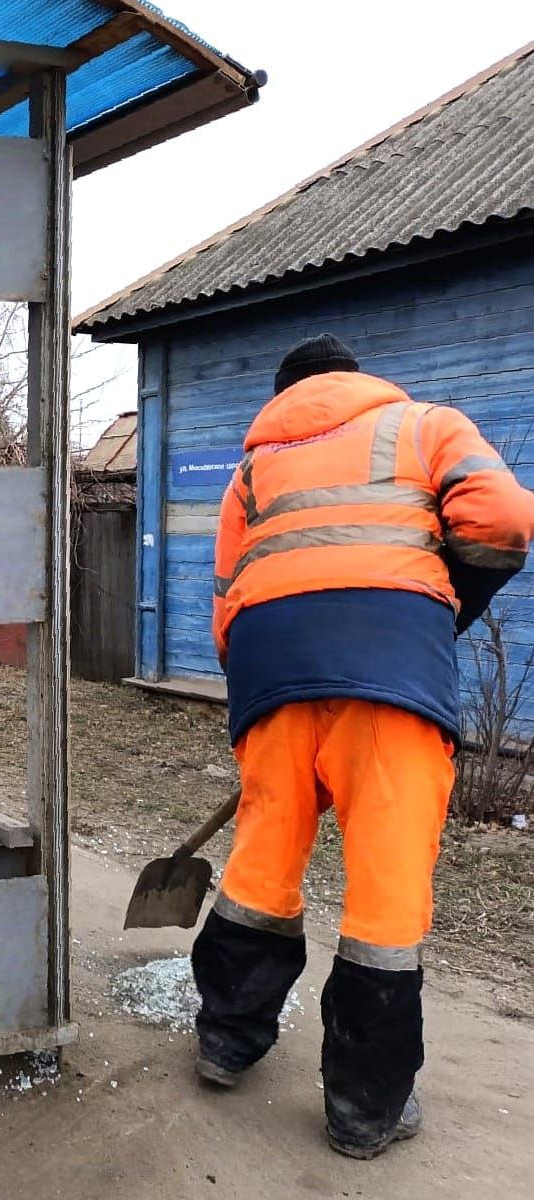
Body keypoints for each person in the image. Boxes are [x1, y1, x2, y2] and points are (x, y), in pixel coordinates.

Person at [193, 334, 534, 1159]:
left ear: (280, 398)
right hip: (388, 673)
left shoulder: (252, 471)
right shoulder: (425, 426)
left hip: (269, 672)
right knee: (383, 892)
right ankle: (363, 1108)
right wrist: (439, 607)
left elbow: (223, 601)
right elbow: (504, 521)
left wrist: (264, 689)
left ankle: (225, 1042)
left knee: (261, 863)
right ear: (357, 380)